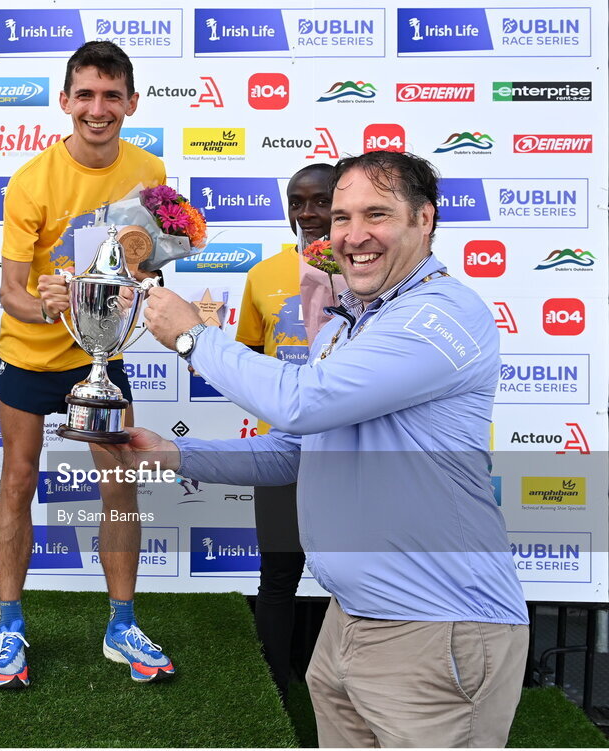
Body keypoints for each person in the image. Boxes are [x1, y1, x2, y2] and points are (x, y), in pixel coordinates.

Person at [103, 151, 529, 747]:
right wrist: (172, 456)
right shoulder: (350, 323)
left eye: (377, 215)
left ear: (424, 220)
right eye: (342, 216)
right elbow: (294, 451)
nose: (353, 235)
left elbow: (304, 403)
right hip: (350, 620)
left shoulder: (439, 315)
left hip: (436, 627)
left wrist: (195, 338)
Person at [0, 40, 174, 689]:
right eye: (86, 95)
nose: (98, 109)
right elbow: (9, 289)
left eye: (111, 96)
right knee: (17, 480)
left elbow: (153, 263)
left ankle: (121, 623)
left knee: (119, 486)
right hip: (31, 355)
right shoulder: (31, 180)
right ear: (65, 101)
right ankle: (9, 624)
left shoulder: (150, 171)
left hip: (103, 355)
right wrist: (47, 305)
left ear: (131, 103)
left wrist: (135, 279)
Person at [234, 163, 333, 703]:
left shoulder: (374, 273)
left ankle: (351, 690)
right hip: (282, 451)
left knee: (360, 579)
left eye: (320, 201)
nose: (308, 214)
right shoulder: (264, 275)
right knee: (278, 579)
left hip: (352, 452)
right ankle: (274, 693)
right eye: (297, 202)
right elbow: (247, 361)